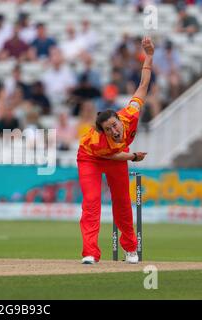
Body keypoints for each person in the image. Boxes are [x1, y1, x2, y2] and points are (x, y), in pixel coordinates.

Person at [77, 37, 154, 265]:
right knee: (91, 202)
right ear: (103, 131)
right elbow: (116, 154)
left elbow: (142, 87)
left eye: (115, 125)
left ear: (119, 119)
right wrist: (133, 156)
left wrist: (148, 56)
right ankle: (90, 252)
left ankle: (130, 249)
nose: (115, 130)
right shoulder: (97, 140)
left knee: (122, 202)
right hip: (90, 159)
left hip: (117, 158)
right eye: (110, 129)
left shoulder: (129, 115)